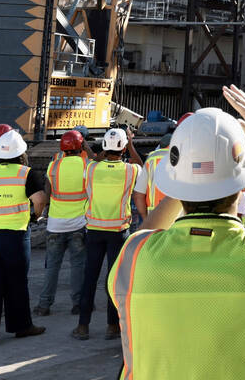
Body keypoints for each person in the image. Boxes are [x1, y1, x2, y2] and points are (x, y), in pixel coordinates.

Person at [107, 86, 245, 379]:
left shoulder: (133, 259)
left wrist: (188, 177)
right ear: (243, 184)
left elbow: (144, 233)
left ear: (174, 182)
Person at [0, 129, 47, 346]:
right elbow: (40, 200)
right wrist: (35, 216)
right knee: (16, 283)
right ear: (21, 153)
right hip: (13, 235)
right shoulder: (26, 173)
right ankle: (21, 326)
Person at [72, 127, 141, 340]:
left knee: (89, 278)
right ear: (123, 148)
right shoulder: (131, 171)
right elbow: (140, 164)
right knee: (114, 279)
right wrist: (129, 142)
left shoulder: (91, 169)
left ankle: (83, 326)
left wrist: (104, 149)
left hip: (94, 231)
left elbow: (97, 158)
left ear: (104, 146)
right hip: (118, 232)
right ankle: (112, 326)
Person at [34, 129, 89, 317]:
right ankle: (78, 304)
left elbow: (47, 193)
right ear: (80, 146)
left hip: (55, 225)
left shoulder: (53, 167)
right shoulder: (86, 165)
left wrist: (42, 213)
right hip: (78, 224)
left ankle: (44, 305)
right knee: (78, 265)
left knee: (52, 267)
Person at [133, 132, 174, 221]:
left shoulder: (151, 159)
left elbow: (138, 195)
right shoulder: (184, 157)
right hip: (177, 218)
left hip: (154, 219)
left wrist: (146, 220)